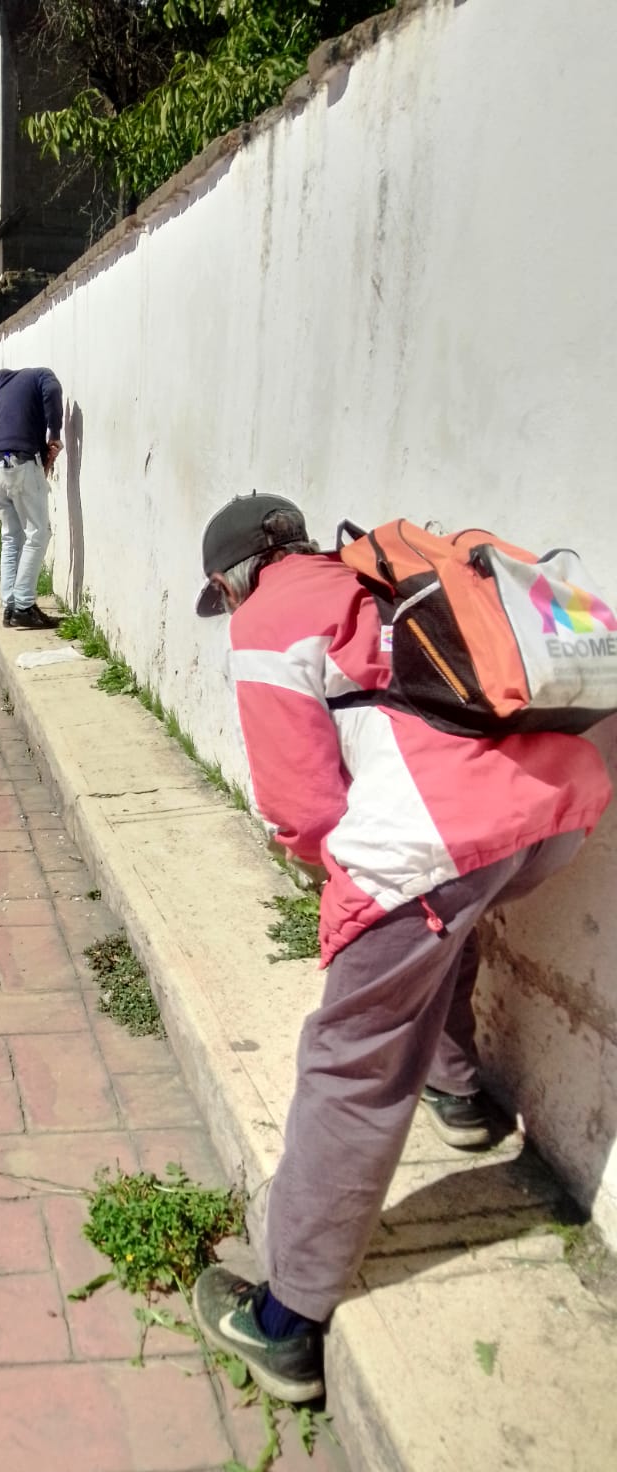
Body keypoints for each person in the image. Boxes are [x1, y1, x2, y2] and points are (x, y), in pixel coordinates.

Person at [189, 492, 612, 1403]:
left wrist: (340, 881)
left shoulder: (269, 616)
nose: (227, 609)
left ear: (232, 577)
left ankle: (287, 1322)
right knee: (442, 932)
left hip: (437, 831)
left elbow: (301, 808)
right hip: (549, 814)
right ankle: (460, 1098)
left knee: (351, 1057)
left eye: (221, 594)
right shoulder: (372, 577)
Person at [0, 367, 64, 628]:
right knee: (38, 533)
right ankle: (24, 605)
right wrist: (54, 434)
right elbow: (52, 390)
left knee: (11, 537)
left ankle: (10, 605)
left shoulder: (0, 395)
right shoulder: (41, 375)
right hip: (19, 463)